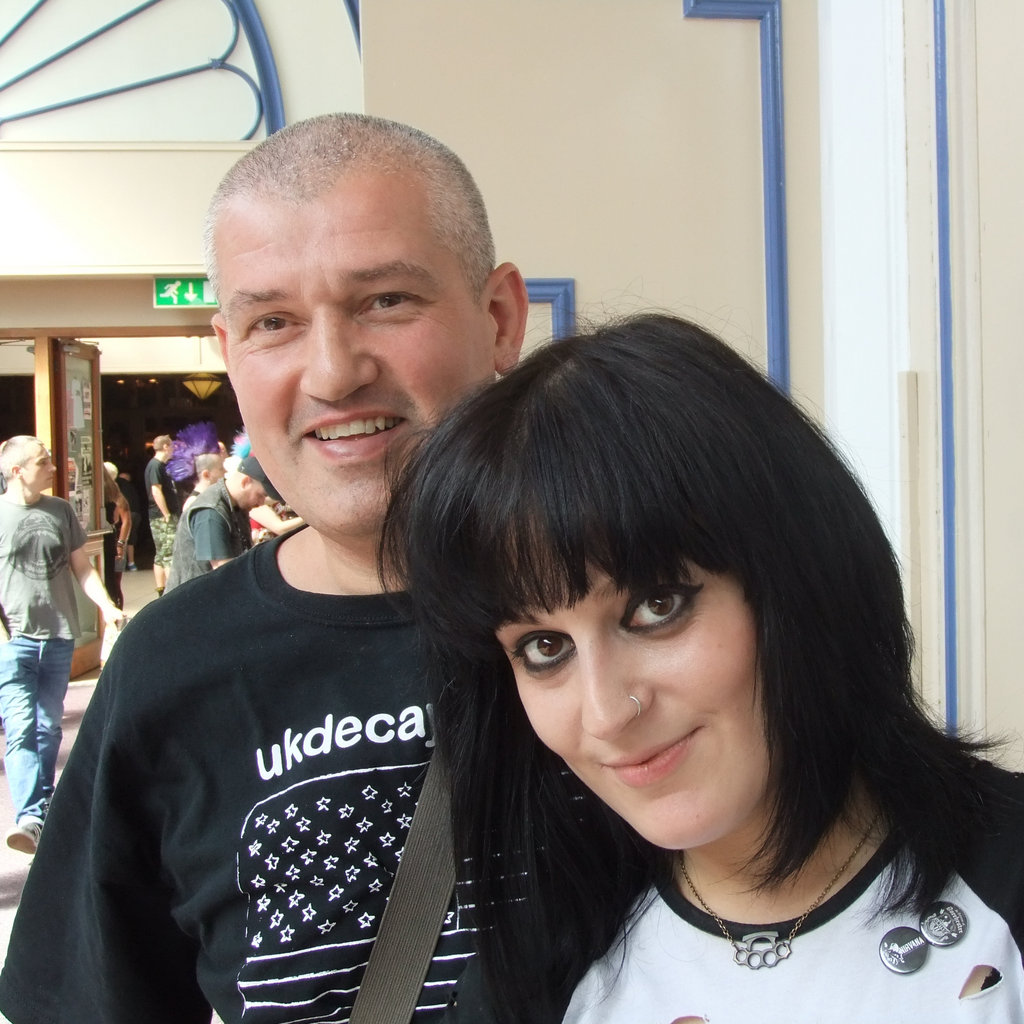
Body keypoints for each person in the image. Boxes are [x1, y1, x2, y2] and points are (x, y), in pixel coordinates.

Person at [0, 113, 528, 1024]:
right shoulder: (172, 665)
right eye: (273, 322)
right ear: (229, 352)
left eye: (385, 301)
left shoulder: (653, 599)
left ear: (498, 320)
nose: (333, 372)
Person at [381, 314, 1024, 1024]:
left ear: (800, 576)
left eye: (655, 607)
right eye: (544, 648)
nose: (607, 713)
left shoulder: (1005, 883)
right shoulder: (537, 971)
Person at [0, 437, 125, 855]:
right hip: (13, 642)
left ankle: (41, 808)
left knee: (47, 726)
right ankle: (29, 816)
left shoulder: (60, 510)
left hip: (57, 636)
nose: (53, 467)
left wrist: (107, 607)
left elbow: (82, 567)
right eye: (44, 462)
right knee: (20, 728)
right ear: (17, 470)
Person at [164, 454, 275, 591]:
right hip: (193, 599)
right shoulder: (211, 511)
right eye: (261, 495)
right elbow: (223, 570)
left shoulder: (235, 504)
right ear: (246, 482)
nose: (262, 502)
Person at [144, 433, 181, 596]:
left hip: (161, 515)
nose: (173, 449)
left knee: (161, 554)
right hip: (162, 516)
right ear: (165, 447)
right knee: (168, 553)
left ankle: (161, 590)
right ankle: (171, 591)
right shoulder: (155, 466)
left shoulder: (160, 466)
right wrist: (166, 514)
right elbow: (156, 490)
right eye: (171, 446)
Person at [101, 462, 131, 609]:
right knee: (114, 582)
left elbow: (123, 520)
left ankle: (116, 610)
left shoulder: (110, 490)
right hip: (112, 538)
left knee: (113, 581)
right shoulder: (113, 490)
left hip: (113, 540)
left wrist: (120, 543)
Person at [114, 466, 142, 570]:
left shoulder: (117, 484)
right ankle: (131, 563)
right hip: (136, 514)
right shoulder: (132, 487)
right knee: (131, 539)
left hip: (125, 513)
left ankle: (120, 563)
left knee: (120, 537)